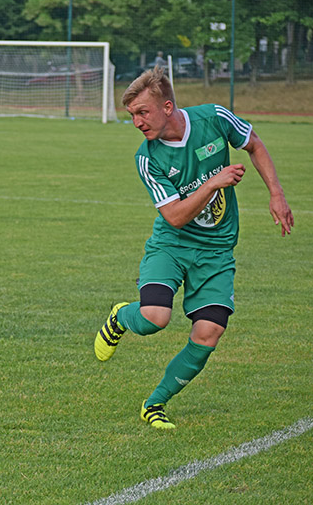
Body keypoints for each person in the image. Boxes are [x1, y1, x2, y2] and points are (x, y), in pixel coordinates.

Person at [94, 67, 294, 429]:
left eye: (143, 112)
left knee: (209, 333)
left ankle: (154, 404)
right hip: (172, 245)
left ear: (167, 106)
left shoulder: (214, 118)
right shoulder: (148, 157)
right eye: (132, 115)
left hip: (217, 251)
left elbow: (254, 144)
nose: (137, 122)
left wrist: (276, 194)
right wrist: (213, 183)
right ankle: (122, 316)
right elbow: (174, 217)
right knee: (155, 317)